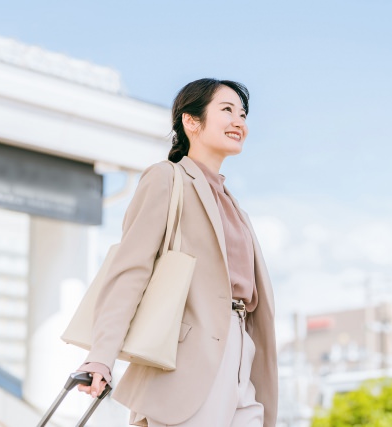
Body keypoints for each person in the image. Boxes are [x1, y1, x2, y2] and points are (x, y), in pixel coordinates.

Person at [76, 78, 277, 427]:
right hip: (190, 361)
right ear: (191, 121)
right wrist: (101, 356)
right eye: (226, 110)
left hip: (242, 351)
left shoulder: (234, 206)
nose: (239, 122)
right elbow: (130, 270)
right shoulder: (166, 179)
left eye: (242, 114)